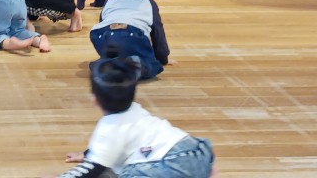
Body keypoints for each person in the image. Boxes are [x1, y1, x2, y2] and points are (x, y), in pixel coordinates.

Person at [54, 57, 216, 178]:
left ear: (94, 100)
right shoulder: (136, 110)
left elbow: (92, 169)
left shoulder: (109, 126)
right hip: (198, 152)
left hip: (168, 164)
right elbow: (115, 144)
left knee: (123, 172)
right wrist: (90, 154)